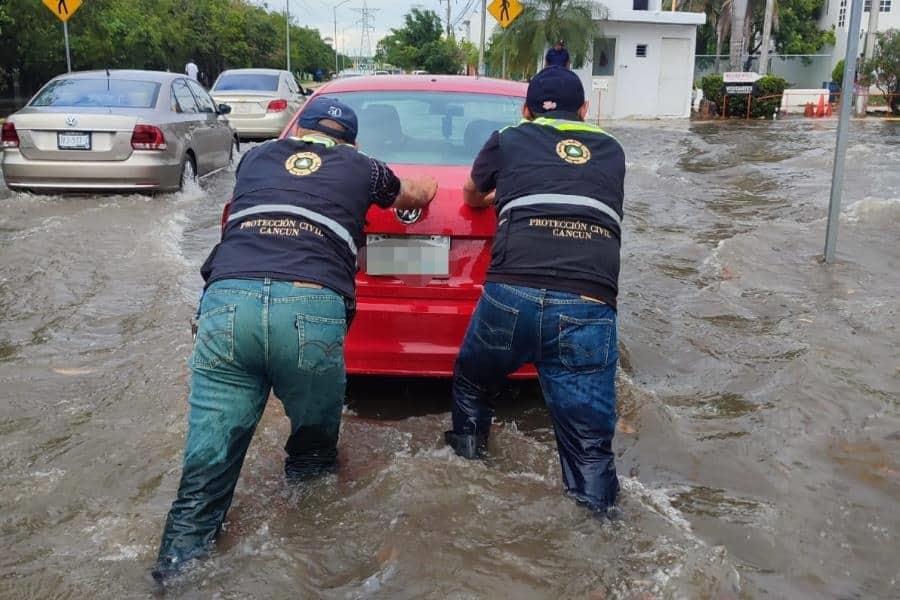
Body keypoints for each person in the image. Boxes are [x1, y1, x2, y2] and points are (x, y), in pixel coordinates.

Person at [152, 96, 438, 583]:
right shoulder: (363, 167)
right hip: (310, 307)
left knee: (205, 471)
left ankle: (174, 574)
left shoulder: (257, 158)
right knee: (312, 458)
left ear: (298, 129)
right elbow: (410, 195)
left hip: (227, 303)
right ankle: (307, 564)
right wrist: (430, 187)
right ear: (349, 141)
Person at [445, 66, 626, 518]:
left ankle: (467, 475)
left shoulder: (508, 136)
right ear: (585, 111)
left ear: (525, 111)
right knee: (589, 447)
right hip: (588, 304)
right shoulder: (613, 149)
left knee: (472, 382)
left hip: (512, 295)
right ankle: (600, 534)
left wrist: (497, 198)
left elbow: (470, 194)